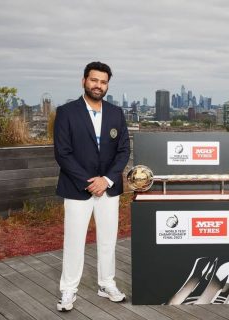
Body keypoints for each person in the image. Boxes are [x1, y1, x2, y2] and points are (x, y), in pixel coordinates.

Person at [54, 61, 130, 311]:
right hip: (78, 188)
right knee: (74, 241)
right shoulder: (66, 112)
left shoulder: (116, 113)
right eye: (94, 80)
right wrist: (90, 182)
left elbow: (123, 151)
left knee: (108, 240)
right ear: (84, 81)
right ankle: (68, 290)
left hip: (108, 188)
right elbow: (63, 154)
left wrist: (106, 180)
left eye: (103, 82)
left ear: (108, 85)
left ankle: (106, 283)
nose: (98, 85)